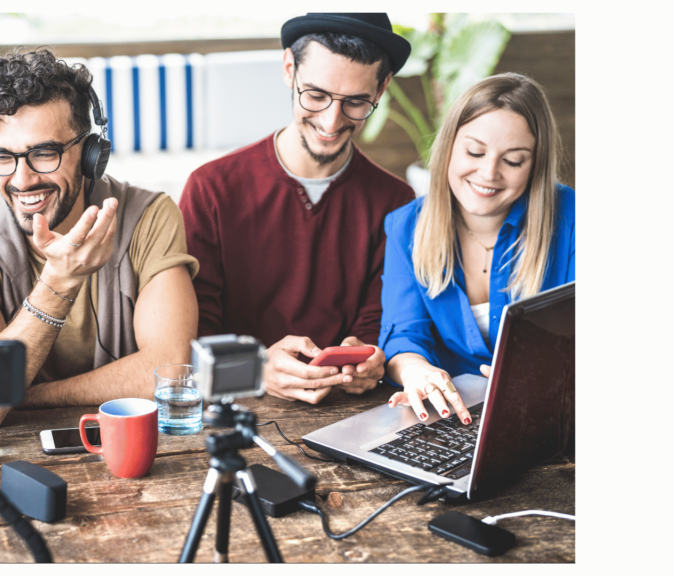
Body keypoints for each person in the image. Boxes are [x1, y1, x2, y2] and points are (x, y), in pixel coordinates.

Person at [0, 48, 198, 421]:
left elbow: (168, 372)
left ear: (90, 154)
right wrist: (58, 283)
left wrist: (28, 396)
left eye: (43, 153)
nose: (22, 180)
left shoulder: (149, 217)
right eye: (2, 157)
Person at [180, 13, 415, 404]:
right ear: (289, 68)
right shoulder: (211, 189)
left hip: (350, 411)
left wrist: (371, 359)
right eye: (316, 95)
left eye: (355, 102)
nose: (331, 121)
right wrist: (256, 368)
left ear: (382, 88)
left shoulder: (397, 203)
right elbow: (191, 336)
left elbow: (384, 325)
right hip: (234, 407)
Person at [380, 73, 575, 425]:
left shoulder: (574, 218)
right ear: (449, 146)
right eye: (474, 151)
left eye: (513, 161)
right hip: (451, 417)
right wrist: (416, 370)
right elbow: (404, 334)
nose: (488, 173)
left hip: (554, 415)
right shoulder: (405, 226)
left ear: (535, 166)